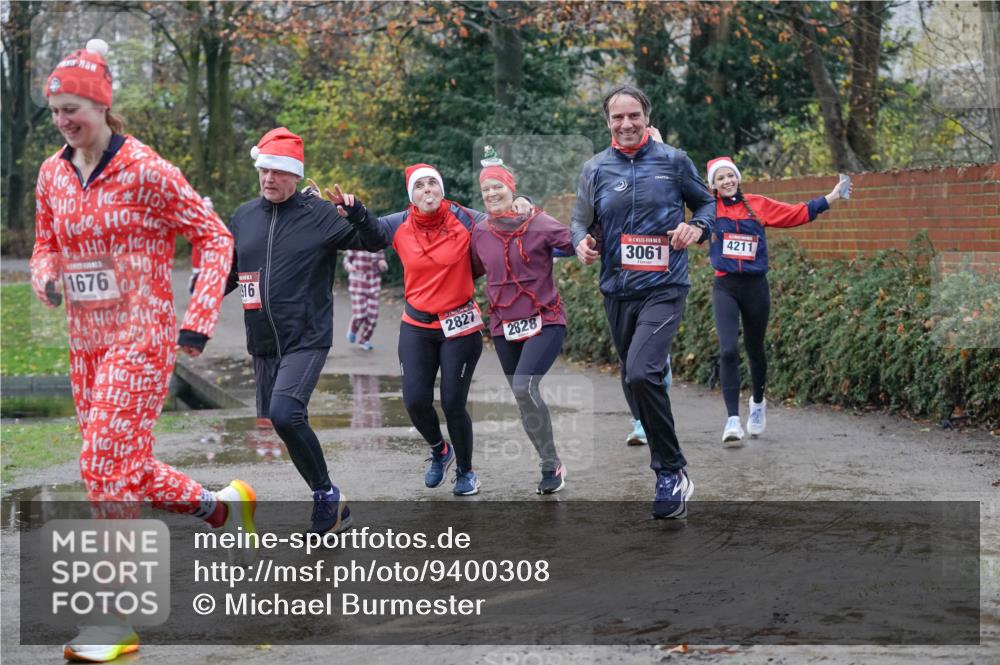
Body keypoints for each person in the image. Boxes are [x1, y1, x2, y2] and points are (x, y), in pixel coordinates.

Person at [30, 39, 253, 663]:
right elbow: (46, 245)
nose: (63, 121)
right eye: (54, 111)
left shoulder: (147, 170)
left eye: (73, 108)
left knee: (102, 462)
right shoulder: (52, 173)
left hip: (142, 336)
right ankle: (219, 505)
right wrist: (46, 277)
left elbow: (215, 237)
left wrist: (197, 319)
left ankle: (117, 619)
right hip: (87, 343)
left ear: (102, 106)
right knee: (122, 465)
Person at [324, 165, 530, 496]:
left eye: (433, 182)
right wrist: (356, 211)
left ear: (442, 189)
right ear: (413, 196)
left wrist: (521, 201)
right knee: (416, 401)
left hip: (459, 326)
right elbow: (374, 235)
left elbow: (501, 218)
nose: (427, 189)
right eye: (419, 186)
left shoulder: (465, 219)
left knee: (452, 402)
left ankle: (465, 471)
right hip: (417, 326)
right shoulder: (400, 223)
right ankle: (439, 450)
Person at [225, 127, 388, 534]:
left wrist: (358, 214)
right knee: (282, 421)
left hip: (306, 336)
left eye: (278, 172)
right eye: (264, 170)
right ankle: (331, 501)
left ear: (295, 176)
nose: (269, 179)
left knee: (285, 412)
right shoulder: (244, 216)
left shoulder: (318, 215)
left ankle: (325, 496)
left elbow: (374, 241)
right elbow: (227, 272)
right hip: (262, 340)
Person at [571, 84, 715, 520]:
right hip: (617, 288)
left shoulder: (673, 161)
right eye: (618, 117)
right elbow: (580, 220)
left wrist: (699, 228)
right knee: (633, 380)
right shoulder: (594, 168)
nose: (626, 124)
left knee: (642, 370)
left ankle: (671, 471)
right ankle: (668, 462)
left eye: (634, 115)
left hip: (664, 285)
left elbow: (707, 203)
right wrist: (581, 242)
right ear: (607, 122)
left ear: (647, 118)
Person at [705, 156, 851, 445]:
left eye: (730, 176)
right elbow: (683, 218)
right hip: (725, 286)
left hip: (756, 286)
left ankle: (757, 404)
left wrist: (831, 197)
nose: (726, 182)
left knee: (754, 347)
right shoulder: (709, 210)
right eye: (720, 179)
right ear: (713, 185)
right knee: (728, 350)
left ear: (737, 178)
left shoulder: (757, 204)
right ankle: (732, 419)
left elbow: (795, 213)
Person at [470, 150, 573, 494]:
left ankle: (549, 465)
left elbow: (576, 242)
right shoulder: (480, 232)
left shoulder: (539, 223)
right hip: (503, 326)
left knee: (523, 387)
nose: (491, 194)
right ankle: (552, 462)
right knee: (523, 396)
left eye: (498, 187)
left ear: (511, 190)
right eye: (486, 190)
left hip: (545, 320)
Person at [343, 248, 388, 351]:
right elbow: (346, 260)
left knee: (373, 316)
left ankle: (364, 340)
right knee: (361, 314)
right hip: (357, 283)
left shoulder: (378, 244)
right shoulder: (356, 243)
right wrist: (350, 267)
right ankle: (353, 328)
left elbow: (381, 260)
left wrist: (383, 264)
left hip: (373, 284)